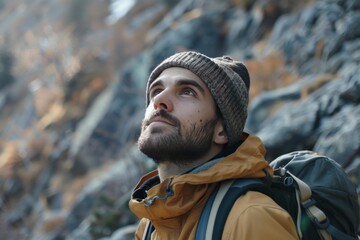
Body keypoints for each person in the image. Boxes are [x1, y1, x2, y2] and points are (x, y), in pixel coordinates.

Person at [129, 51, 299, 239]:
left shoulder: (250, 218)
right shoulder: (149, 227)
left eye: (187, 92)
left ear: (222, 131)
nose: (159, 101)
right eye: (156, 91)